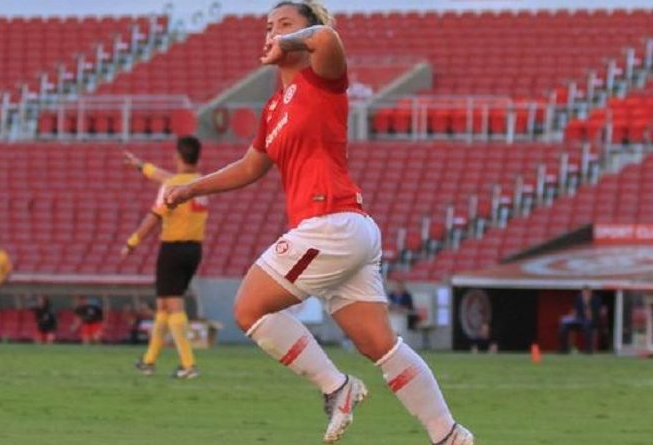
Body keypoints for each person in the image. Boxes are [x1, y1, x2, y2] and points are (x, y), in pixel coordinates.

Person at [163, 2, 473, 444]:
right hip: (349, 229)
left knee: (248, 308)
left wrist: (291, 41)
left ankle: (337, 387)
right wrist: (192, 188)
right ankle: (451, 436)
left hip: (330, 223)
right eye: (269, 27)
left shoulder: (322, 78)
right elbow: (251, 166)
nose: (273, 33)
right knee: (379, 347)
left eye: (285, 25)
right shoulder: (273, 108)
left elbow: (327, 41)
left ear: (306, 32)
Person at [122, 135, 208, 380]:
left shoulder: (172, 185)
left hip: (172, 247)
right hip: (194, 249)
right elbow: (166, 177)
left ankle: (189, 364)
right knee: (163, 305)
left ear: (178, 156)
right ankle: (149, 361)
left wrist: (132, 242)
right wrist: (141, 166)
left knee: (172, 305)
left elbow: (154, 218)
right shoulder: (201, 182)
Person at [558, 286, 604, 354]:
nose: (585, 295)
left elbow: (590, 316)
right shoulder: (578, 298)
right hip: (579, 320)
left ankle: (588, 349)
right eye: (583, 293)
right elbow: (575, 311)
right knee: (563, 326)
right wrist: (571, 317)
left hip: (592, 321)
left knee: (587, 325)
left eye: (587, 293)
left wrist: (587, 304)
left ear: (590, 293)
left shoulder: (596, 300)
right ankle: (563, 349)